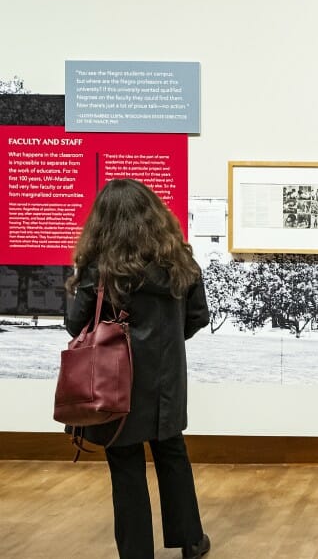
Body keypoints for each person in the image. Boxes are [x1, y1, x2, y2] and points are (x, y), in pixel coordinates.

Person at [64, 179, 211, 559]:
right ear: (154, 215)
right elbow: (196, 318)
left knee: (126, 465)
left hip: (117, 385)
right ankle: (191, 542)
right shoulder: (181, 262)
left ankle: (136, 552)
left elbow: (75, 324)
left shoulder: (100, 270)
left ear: (104, 222)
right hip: (167, 384)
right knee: (172, 454)